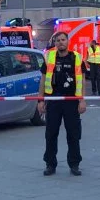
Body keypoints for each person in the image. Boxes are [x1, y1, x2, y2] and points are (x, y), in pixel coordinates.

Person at [37, 31, 87, 176]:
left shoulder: (76, 58)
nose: (60, 42)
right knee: (51, 134)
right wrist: (40, 100)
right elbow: (43, 80)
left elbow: (82, 80)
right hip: (53, 101)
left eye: (63, 39)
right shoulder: (49, 57)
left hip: (71, 101)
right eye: (58, 40)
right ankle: (50, 164)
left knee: (73, 134)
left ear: (68, 41)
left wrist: (82, 100)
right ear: (55, 43)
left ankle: (74, 164)